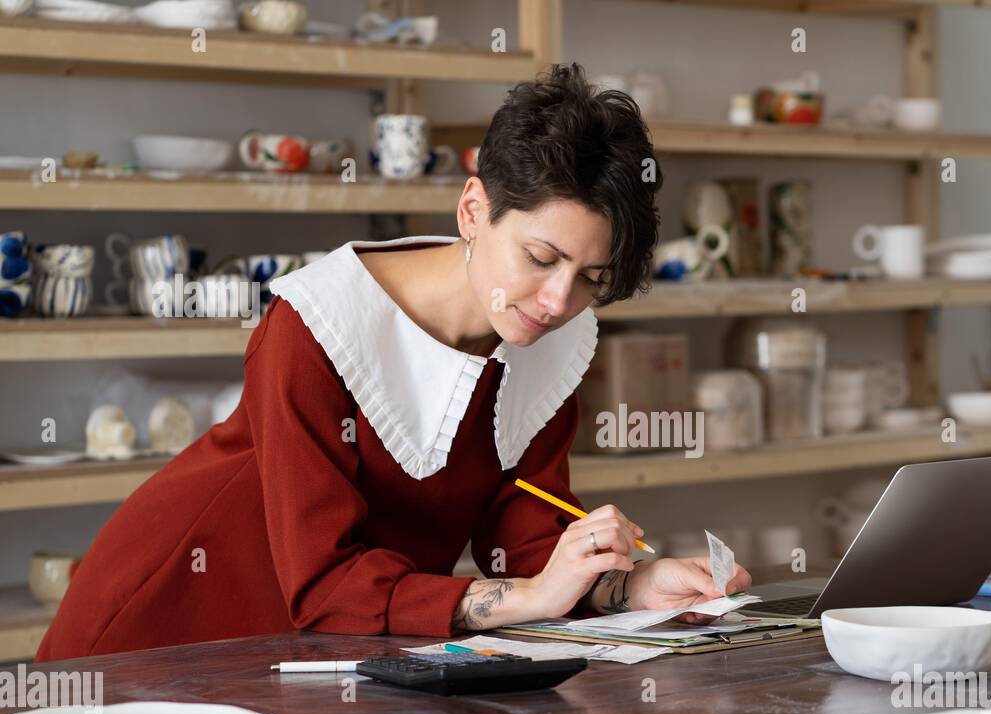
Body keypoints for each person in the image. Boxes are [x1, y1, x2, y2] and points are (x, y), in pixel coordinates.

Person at [36, 63, 751, 662]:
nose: (559, 298)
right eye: (541, 257)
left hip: (327, 648)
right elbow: (323, 583)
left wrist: (628, 585)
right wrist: (526, 600)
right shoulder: (318, 324)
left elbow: (525, 537)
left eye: (592, 278)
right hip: (171, 624)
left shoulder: (547, 339)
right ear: (473, 210)